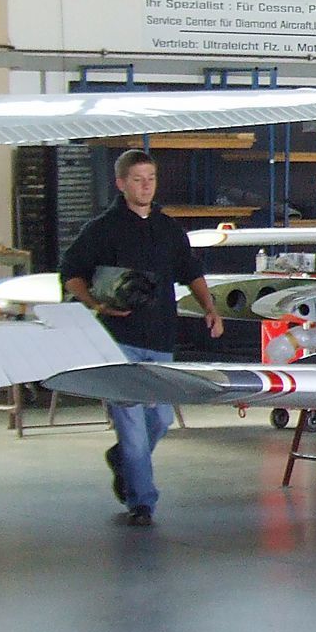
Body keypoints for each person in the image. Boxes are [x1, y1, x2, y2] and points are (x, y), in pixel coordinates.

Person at [60, 149, 224, 527]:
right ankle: (142, 502)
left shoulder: (168, 229)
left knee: (161, 419)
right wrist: (96, 305)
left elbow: (191, 271)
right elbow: (71, 272)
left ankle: (122, 461)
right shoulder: (101, 230)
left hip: (161, 340)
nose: (146, 185)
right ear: (121, 183)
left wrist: (210, 308)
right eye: (138, 178)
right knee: (133, 426)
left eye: (151, 178)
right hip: (118, 342)